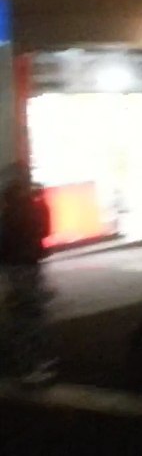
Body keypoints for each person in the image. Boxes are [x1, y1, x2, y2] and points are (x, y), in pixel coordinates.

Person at [0, 164, 56, 384]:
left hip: (19, 267)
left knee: (26, 314)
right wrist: (41, 203)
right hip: (25, 266)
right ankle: (29, 368)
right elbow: (43, 230)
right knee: (27, 316)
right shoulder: (23, 210)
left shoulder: (9, 212)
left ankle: (32, 363)